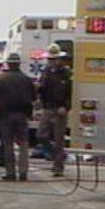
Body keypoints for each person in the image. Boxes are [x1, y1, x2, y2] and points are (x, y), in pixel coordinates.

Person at [0, 53, 36, 181]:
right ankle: (23, 172)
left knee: (8, 144)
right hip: (22, 115)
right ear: (19, 63)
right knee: (24, 144)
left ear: (8, 64)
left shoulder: (1, 79)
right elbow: (34, 97)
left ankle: (10, 173)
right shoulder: (26, 79)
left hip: (5, 116)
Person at [36, 43, 72, 176]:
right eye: (49, 59)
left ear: (59, 59)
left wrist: (66, 106)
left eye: (53, 59)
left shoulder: (66, 73)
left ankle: (58, 166)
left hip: (60, 109)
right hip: (48, 107)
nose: (51, 62)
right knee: (41, 135)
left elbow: (71, 92)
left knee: (58, 139)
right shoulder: (46, 71)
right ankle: (57, 156)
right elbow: (43, 89)